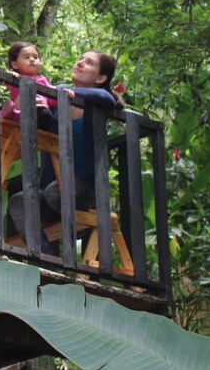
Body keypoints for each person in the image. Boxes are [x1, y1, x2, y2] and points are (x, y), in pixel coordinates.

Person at [7, 49, 123, 255]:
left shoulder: (95, 103)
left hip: (85, 188)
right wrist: (21, 85)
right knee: (20, 201)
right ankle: (46, 257)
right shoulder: (58, 106)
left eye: (89, 63)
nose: (79, 63)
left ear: (101, 77)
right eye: (80, 59)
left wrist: (60, 90)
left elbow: (107, 97)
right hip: (55, 189)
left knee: (55, 191)